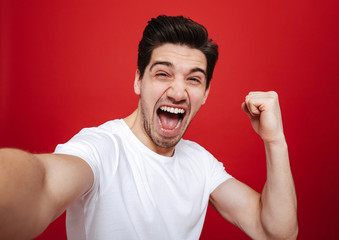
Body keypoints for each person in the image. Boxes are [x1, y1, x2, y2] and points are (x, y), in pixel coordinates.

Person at [0, 15, 298, 239]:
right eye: (163, 74)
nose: (178, 92)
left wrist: (275, 140)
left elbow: (275, 232)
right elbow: (42, 186)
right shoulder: (100, 149)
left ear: (205, 93)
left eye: (193, 79)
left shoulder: (201, 163)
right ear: (138, 81)